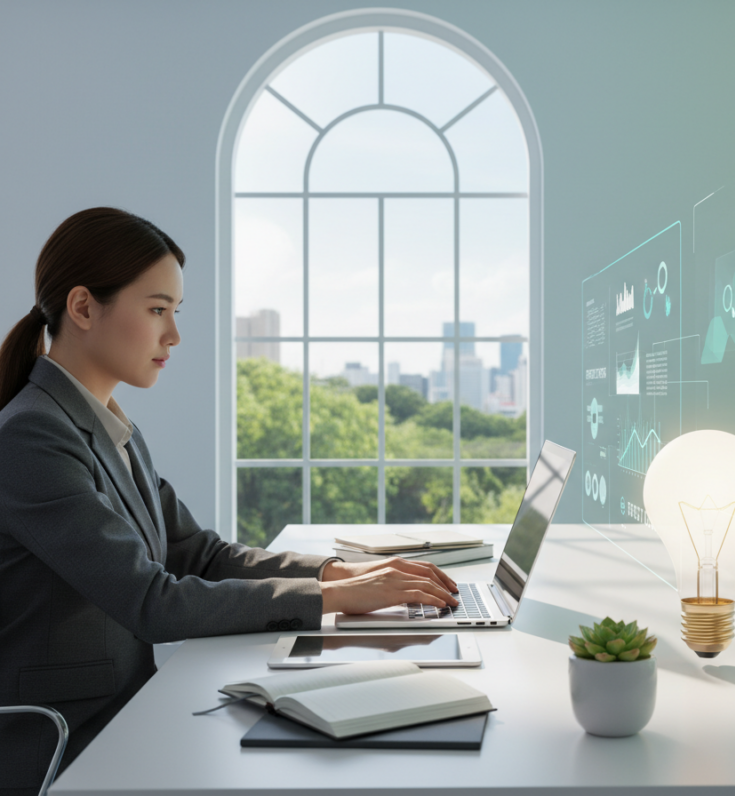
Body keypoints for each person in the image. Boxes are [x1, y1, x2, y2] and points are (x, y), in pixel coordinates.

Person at [0, 208, 459, 794]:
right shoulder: (31, 437)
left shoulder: (112, 429)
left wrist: (340, 573)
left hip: (127, 715)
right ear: (84, 307)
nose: (174, 335)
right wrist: (337, 597)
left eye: (175, 312)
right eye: (157, 309)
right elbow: (152, 601)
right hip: (66, 745)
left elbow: (199, 554)